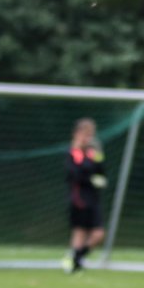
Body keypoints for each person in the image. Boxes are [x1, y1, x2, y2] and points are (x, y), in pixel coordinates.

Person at [63, 117, 107, 273]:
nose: (89, 138)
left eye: (91, 134)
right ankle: (75, 265)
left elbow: (101, 170)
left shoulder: (92, 152)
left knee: (98, 233)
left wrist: (97, 157)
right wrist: (91, 178)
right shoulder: (73, 153)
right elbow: (74, 175)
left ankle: (74, 258)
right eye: (86, 134)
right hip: (79, 199)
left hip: (93, 198)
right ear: (77, 134)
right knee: (79, 232)